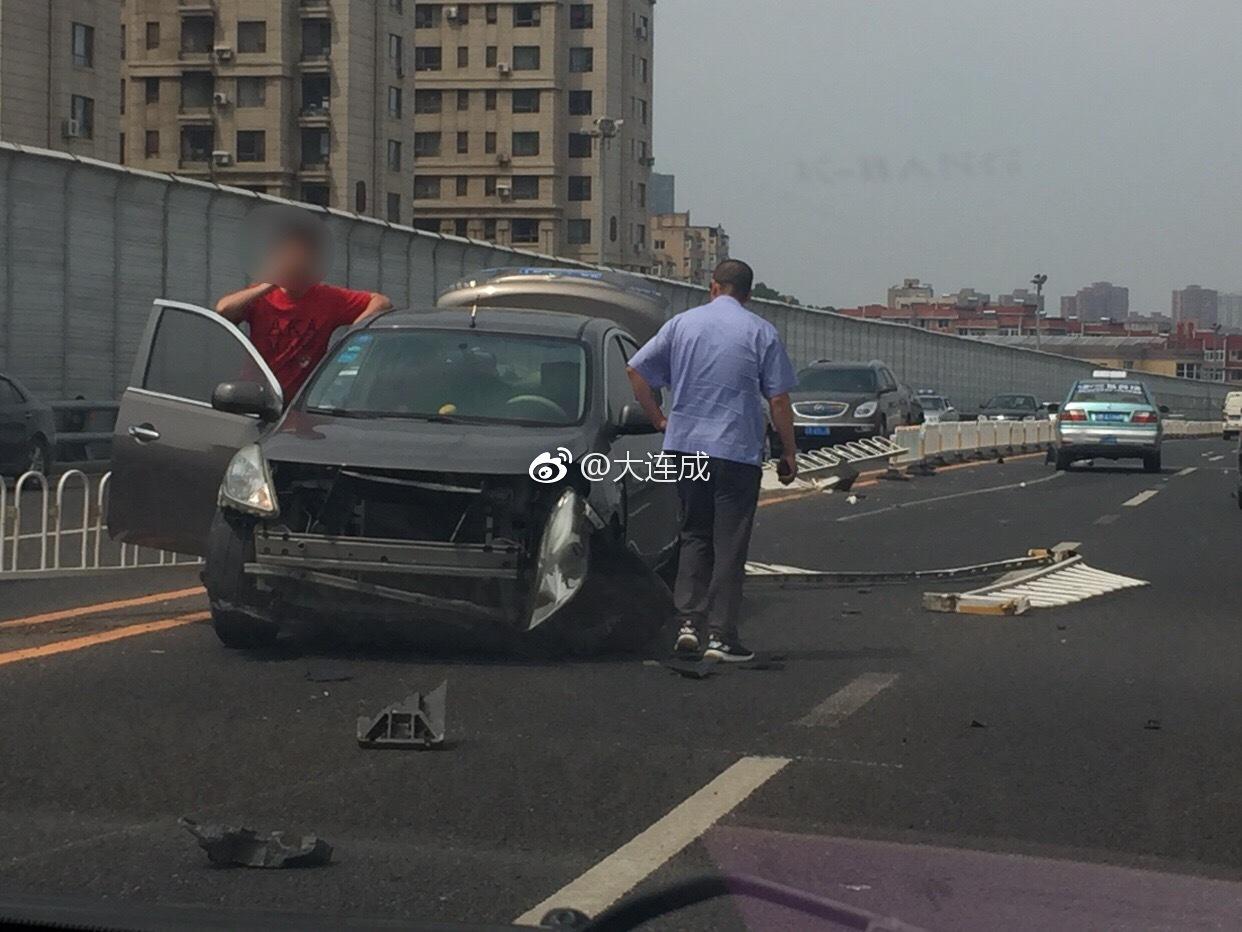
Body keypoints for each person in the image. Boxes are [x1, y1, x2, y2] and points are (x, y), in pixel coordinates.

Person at [626, 259, 799, 662]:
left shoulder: (682, 324)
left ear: (713, 287)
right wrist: (789, 452)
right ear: (748, 294)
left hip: (685, 447)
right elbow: (778, 399)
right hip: (736, 452)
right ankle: (721, 637)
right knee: (730, 544)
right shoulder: (761, 331)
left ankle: (687, 623)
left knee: (693, 534)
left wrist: (659, 420)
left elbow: (636, 371)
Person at [215, 219, 392, 401]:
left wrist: (355, 330)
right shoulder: (261, 297)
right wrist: (269, 284)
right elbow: (223, 310)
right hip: (258, 394)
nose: (296, 264)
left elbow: (381, 301)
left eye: (302, 258)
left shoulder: (328, 298)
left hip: (301, 399)